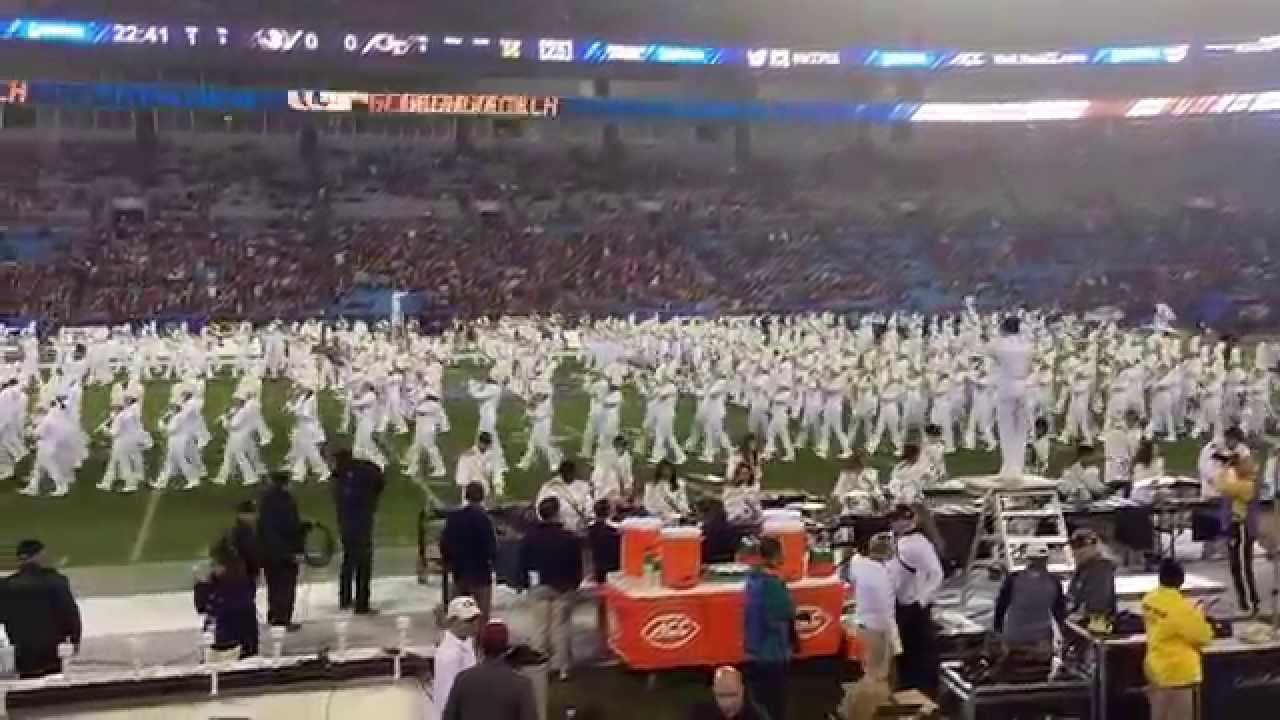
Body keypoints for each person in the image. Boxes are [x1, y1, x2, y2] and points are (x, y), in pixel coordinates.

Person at [517, 497, 584, 681]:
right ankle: (563, 668)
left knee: (540, 629)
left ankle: (540, 667)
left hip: (539, 586)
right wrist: (575, 584)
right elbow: (577, 565)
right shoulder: (569, 537)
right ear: (557, 513)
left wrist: (522, 583)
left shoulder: (530, 537)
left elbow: (522, 563)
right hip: (563, 587)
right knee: (561, 628)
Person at [1142, 560, 1214, 720]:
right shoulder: (1180, 608)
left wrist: (1194, 613)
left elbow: (1170, 623)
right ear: (1181, 580)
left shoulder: (1149, 599)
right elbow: (1203, 636)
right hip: (1178, 673)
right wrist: (1201, 614)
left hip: (1155, 667)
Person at [0, 539, 81, 678]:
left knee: (28, 682)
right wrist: (75, 637)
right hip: (50, 646)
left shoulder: (7, 586)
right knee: (52, 684)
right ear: (38, 555)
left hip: (23, 647)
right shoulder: (56, 581)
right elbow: (69, 612)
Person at [888, 505, 943, 695]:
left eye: (899, 519)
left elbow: (936, 574)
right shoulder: (897, 540)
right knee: (904, 652)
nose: (895, 523)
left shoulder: (917, 543)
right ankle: (909, 690)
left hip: (912, 608)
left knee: (918, 653)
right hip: (900, 604)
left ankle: (921, 692)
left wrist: (921, 601)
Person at [842, 532, 898, 720]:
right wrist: (895, 643)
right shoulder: (883, 575)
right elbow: (887, 611)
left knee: (864, 674)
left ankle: (854, 713)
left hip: (860, 625)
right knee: (877, 678)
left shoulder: (858, 564)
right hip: (879, 629)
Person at [441, 620, 538, 720]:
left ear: (482, 647)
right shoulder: (521, 684)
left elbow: (448, 717)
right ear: (507, 648)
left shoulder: (463, 680)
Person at [743, 535, 795, 720]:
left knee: (759, 702)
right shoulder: (772, 584)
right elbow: (784, 614)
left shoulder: (752, 579)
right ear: (775, 555)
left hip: (754, 650)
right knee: (775, 705)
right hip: (772, 652)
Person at [330, 446, 386, 614]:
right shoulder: (365, 470)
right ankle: (362, 604)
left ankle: (345, 599)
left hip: (346, 525)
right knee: (363, 565)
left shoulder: (338, 477)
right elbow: (380, 480)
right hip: (362, 523)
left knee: (348, 561)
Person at [993, 544, 1067, 654]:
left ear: (1028, 560)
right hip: (1041, 640)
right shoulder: (1054, 582)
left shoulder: (1014, 579)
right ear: (1046, 560)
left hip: (1014, 637)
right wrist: (1063, 634)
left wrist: (998, 630)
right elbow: (1059, 612)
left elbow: (1001, 606)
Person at [440, 482, 498, 622]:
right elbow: (491, 546)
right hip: (480, 573)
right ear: (482, 497)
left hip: (459, 572)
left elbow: (444, 542)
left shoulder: (454, 518)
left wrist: (449, 561)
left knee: (459, 615)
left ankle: (460, 641)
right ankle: (479, 641)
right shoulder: (484, 519)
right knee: (482, 617)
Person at [194, 538, 259, 658]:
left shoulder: (239, 586)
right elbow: (201, 607)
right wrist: (200, 586)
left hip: (235, 643)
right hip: (221, 641)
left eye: (214, 564)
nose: (212, 568)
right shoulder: (215, 582)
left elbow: (225, 610)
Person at [257, 472, 305, 631]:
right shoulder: (287, 501)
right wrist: (298, 549)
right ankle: (283, 620)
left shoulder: (265, 500)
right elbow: (290, 528)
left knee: (274, 585)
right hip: (285, 552)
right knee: (286, 586)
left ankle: (274, 616)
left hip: (267, 552)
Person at [1215, 451, 1261, 615]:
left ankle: (1251, 600)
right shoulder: (1237, 480)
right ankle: (1243, 601)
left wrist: (1225, 468)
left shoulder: (1248, 484)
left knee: (1243, 565)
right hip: (1233, 526)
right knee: (1235, 566)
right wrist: (1228, 468)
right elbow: (1221, 485)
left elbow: (1224, 486)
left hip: (1243, 527)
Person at [989, 315, 1034, 480]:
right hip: (1023, 386)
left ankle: (1008, 467)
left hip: (1006, 387)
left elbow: (987, 349)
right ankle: (1018, 467)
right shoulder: (1027, 346)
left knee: (1006, 429)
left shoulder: (1000, 346)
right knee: (1021, 430)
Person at [1197, 426, 1250, 560]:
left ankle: (1227, 546)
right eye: (1233, 441)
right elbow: (1207, 472)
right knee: (1212, 515)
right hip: (1213, 491)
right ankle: (1209, 549)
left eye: (1237, 442)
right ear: (1228, 438)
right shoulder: (1211, 449)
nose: (1235, 445)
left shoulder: (1242, 449)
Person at [432, 596, 483, 720]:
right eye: (469, 620)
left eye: (476, 619)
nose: (474, 624)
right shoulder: (448, 655)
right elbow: (447, 696)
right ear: (453, 621)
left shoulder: (467, 640)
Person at [1067, 529, 1117, 624]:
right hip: (1081, 619)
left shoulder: (1101, 567)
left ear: (1093, 546)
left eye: (1080, 546)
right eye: (1073, 546)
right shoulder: (1083, 566)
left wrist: (1074, 617)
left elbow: (1097, 604)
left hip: (1098, 623)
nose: (1075, 551)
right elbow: (1072, 597)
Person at [688, 666, 770, 720]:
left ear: (742, 690)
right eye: (721, 696)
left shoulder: (757, 716)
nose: (728, 703)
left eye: (733, 695)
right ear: (714, 691)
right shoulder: (700, 714)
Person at [833, 450, 885, 515]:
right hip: (850, 507)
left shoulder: (872, 473)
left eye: (867, 458)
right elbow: (838, 493)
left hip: (867, 507)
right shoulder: (845, 474)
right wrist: (846, 499)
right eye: (864, 458)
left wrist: (878, 498)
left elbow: (877, 491)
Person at [455, 432, 500, 501]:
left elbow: (490, 475)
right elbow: (462, 479)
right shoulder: (466, 456)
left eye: (487, 444)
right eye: (483, 443)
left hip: (484, 490)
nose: (484, 446)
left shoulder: (491, 455)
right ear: (479, 442)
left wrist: (491, 490)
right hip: (470, 491)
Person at [227, 499, 262, 582]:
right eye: (252, 513)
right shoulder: (244, 532)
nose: (255, 516)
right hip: (246, 574)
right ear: (243, 515)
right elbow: (250, 553)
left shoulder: (238, 530)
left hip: (242, 573)